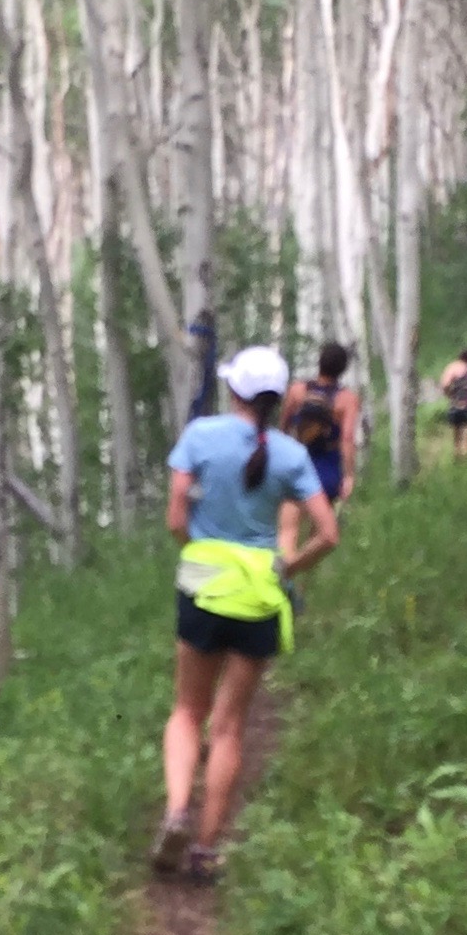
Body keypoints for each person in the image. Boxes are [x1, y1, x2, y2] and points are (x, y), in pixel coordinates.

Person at [152, 345, 339, 885]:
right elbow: (329, 534)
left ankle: (176, 811)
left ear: (233, 389)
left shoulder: (200, 436)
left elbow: (175, 519)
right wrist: (288, 568)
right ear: (278, 400)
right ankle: (205, 850)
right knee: (229, 727)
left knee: (187, 711)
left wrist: (199, 552)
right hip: (260, 592)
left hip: (204, 582)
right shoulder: (291, 455)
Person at [282, 340, 361, 522]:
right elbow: (347, 439)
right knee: (322, 525)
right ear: (343, 368)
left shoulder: (296, 390)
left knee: (290, 524)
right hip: (328, 465)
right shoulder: (347, 399)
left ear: (320, 362)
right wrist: (349, 476)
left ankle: (288, 542)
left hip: (298, 461)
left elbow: (284, 426)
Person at [437, 345, 467, 461]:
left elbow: (445, 385)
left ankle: (457, 462)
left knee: (456, 439)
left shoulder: (452, 368)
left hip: (455, 406)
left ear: (459, 357)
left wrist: (450, 395)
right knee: (466, 441)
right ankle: (465, 464)